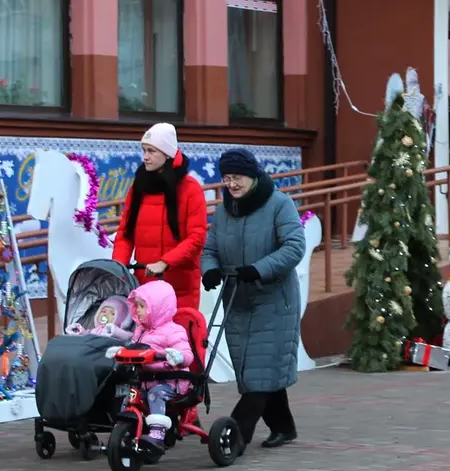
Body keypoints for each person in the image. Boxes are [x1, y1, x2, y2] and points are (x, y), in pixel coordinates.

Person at [201, 147, 306, 454]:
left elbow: (294, 246)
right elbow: (210, 251)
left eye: (238, 178)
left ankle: (234, 438)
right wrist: (210, 271)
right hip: (237, 301)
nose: (232, 184)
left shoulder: (279, 204)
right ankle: (284, 427)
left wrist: (258, 269)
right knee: (254, 372)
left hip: (275, 302)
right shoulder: (224, 211)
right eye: (227, 178)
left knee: (260, 373)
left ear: (253, 176)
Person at [113, 123, 208, 312]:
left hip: (180, 288)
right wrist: (118, 268)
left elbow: (197, 238)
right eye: (144, 150)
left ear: (167, 154)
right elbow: (125, 234)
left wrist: (165, 262)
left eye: (151, 151)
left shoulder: (190, 188)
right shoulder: (138, 187)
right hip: (144, 286)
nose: (145, 157)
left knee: (176, 340)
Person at [121, 280, 194, 451]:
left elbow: (187, 355)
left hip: (172, 382)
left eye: (141, 306)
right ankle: (126, 426)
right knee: (127, 396)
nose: (137, 310)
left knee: (155, 394)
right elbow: (133, 347)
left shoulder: (173, 331)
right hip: (147, 379)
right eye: (136, 306)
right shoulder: (140, 331)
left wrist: (178, 356)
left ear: (158, 308)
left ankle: (157, 433)